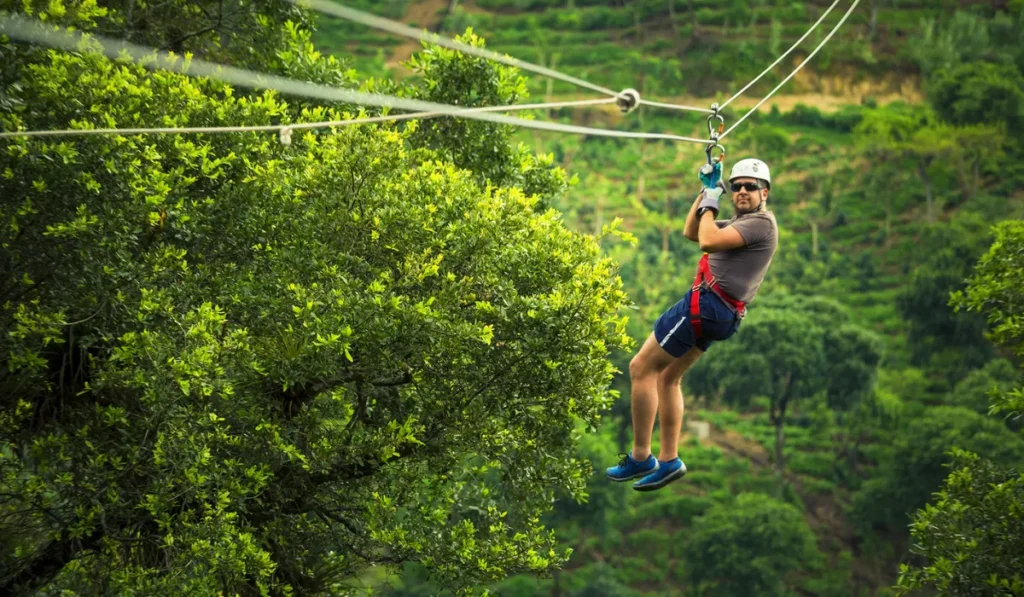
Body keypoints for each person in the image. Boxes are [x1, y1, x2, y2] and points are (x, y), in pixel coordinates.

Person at [606, 158, 779, 491]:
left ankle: (641, 456)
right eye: (736, 186)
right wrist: (705, 192)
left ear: (765, 192)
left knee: (641, 368)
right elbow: (691, 231)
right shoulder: (741, 224)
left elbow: (707, 241)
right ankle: (670, 460)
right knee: (668, 378)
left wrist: (712, 200)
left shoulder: (761, 223)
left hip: (707, 305)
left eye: (751, 186)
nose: (742, 191)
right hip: (720, 314)